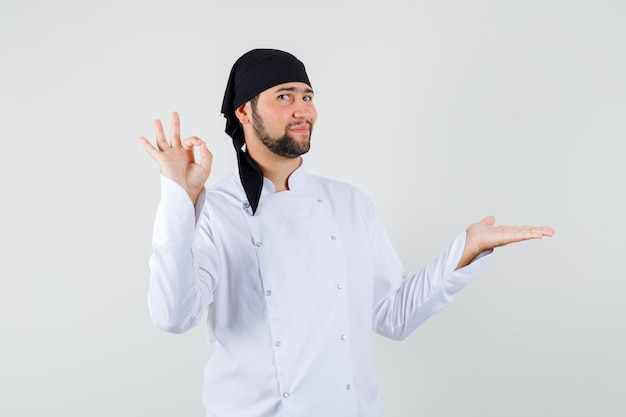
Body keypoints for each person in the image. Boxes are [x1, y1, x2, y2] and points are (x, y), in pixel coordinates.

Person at [139, 49, 554, 417]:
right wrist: (180, 197)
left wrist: (465, 250)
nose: (303, 109)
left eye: (307, 96)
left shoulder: (350, 204)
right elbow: (173, 316)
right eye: (284, 96)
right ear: (244, 112)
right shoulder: (211, 211)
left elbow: (392, 316)